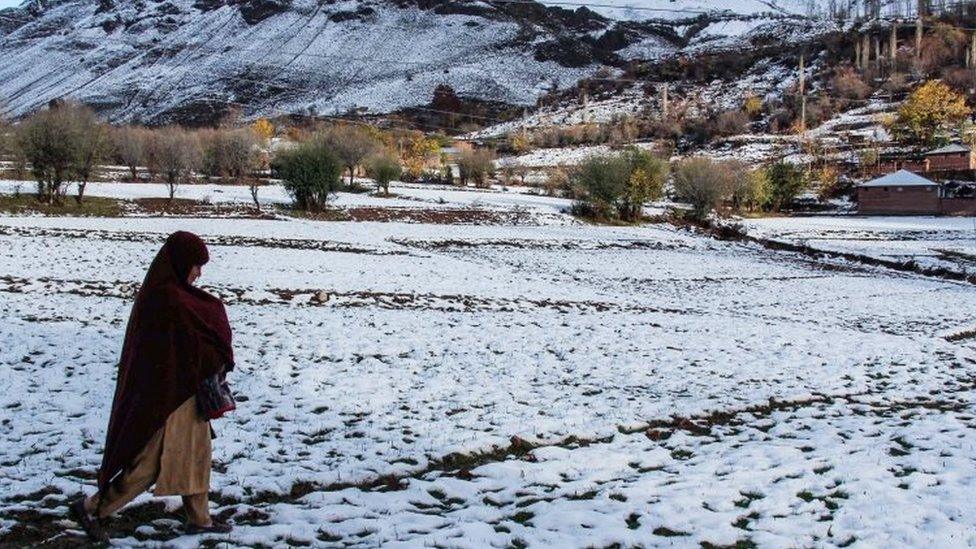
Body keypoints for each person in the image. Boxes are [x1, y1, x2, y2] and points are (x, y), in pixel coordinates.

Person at [70, 231, 234, 541]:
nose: (199, 274)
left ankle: (200, 518)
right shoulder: (167, 298)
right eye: (196, 266)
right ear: (181, 262)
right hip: (170, 397)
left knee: (195, 454)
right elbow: (189, 344)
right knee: (149, 463)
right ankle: (92, 508)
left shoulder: (168, 293)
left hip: (182, 391)